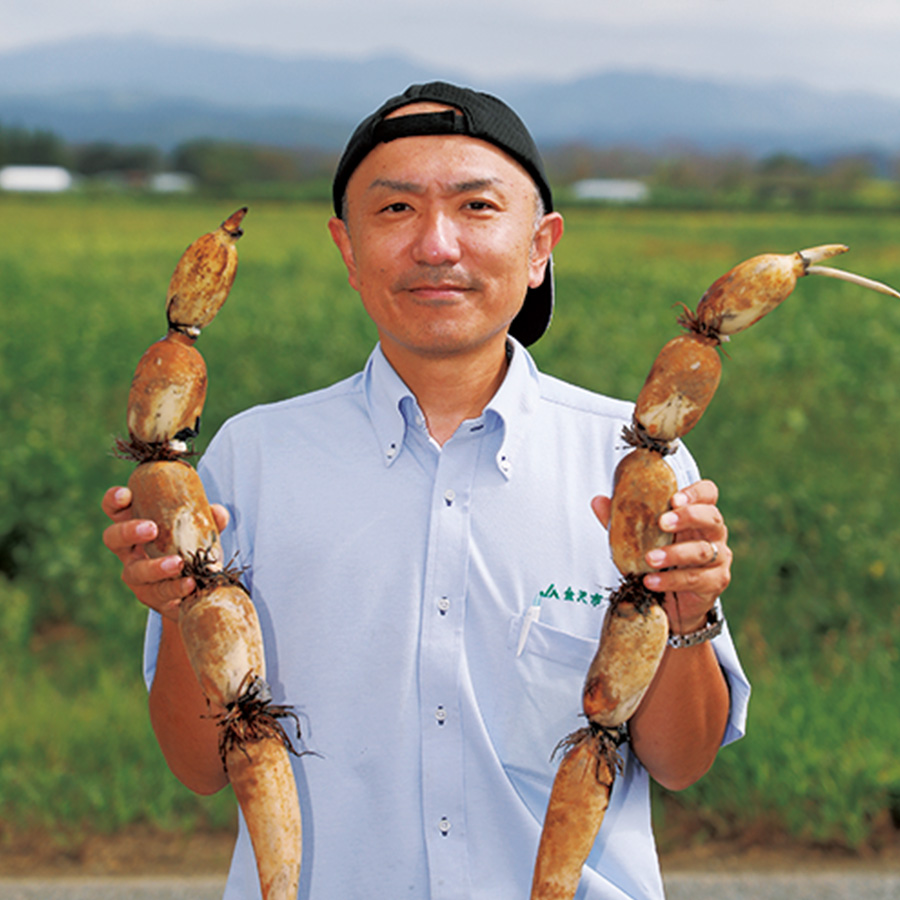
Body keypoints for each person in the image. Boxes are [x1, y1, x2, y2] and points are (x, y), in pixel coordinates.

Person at [102, 82, 749, 899]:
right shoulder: (249, 462)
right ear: (347, 247)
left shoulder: (633, 466)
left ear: (542, 244)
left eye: (478, 206)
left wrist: (687, 616)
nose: (436, 244)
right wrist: (173, 607)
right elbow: (199, 767)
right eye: (397, 210)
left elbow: (682, 761)